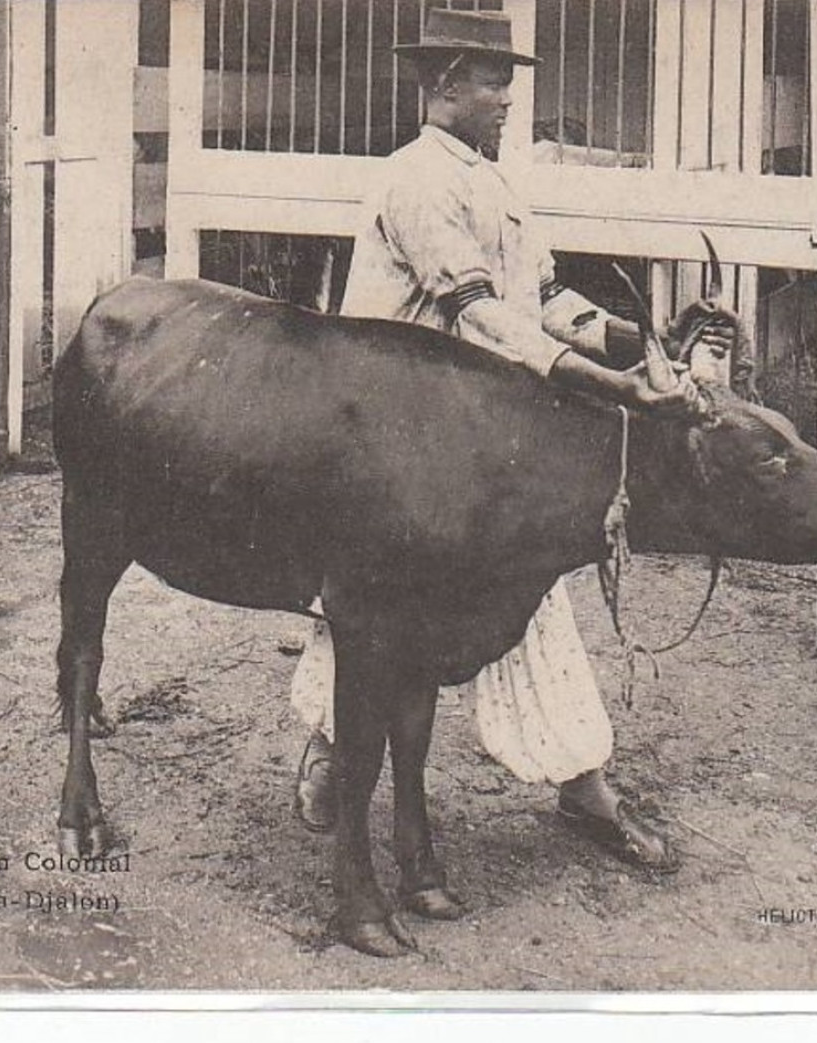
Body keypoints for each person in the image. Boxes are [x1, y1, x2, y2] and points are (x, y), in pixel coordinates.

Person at [289, 8, 735, 872]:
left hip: (485, 439)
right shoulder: (412, 179)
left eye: (508, 83)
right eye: (494, 81)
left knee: (524, 592)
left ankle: (580, 781)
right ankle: (333, 749)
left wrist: (641, 341)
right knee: (362, 605)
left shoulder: (495, 183)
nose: (506, 100)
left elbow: (544, 299)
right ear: (445, 80)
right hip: (396, 436)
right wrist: (608, 386)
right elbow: (479, 314)